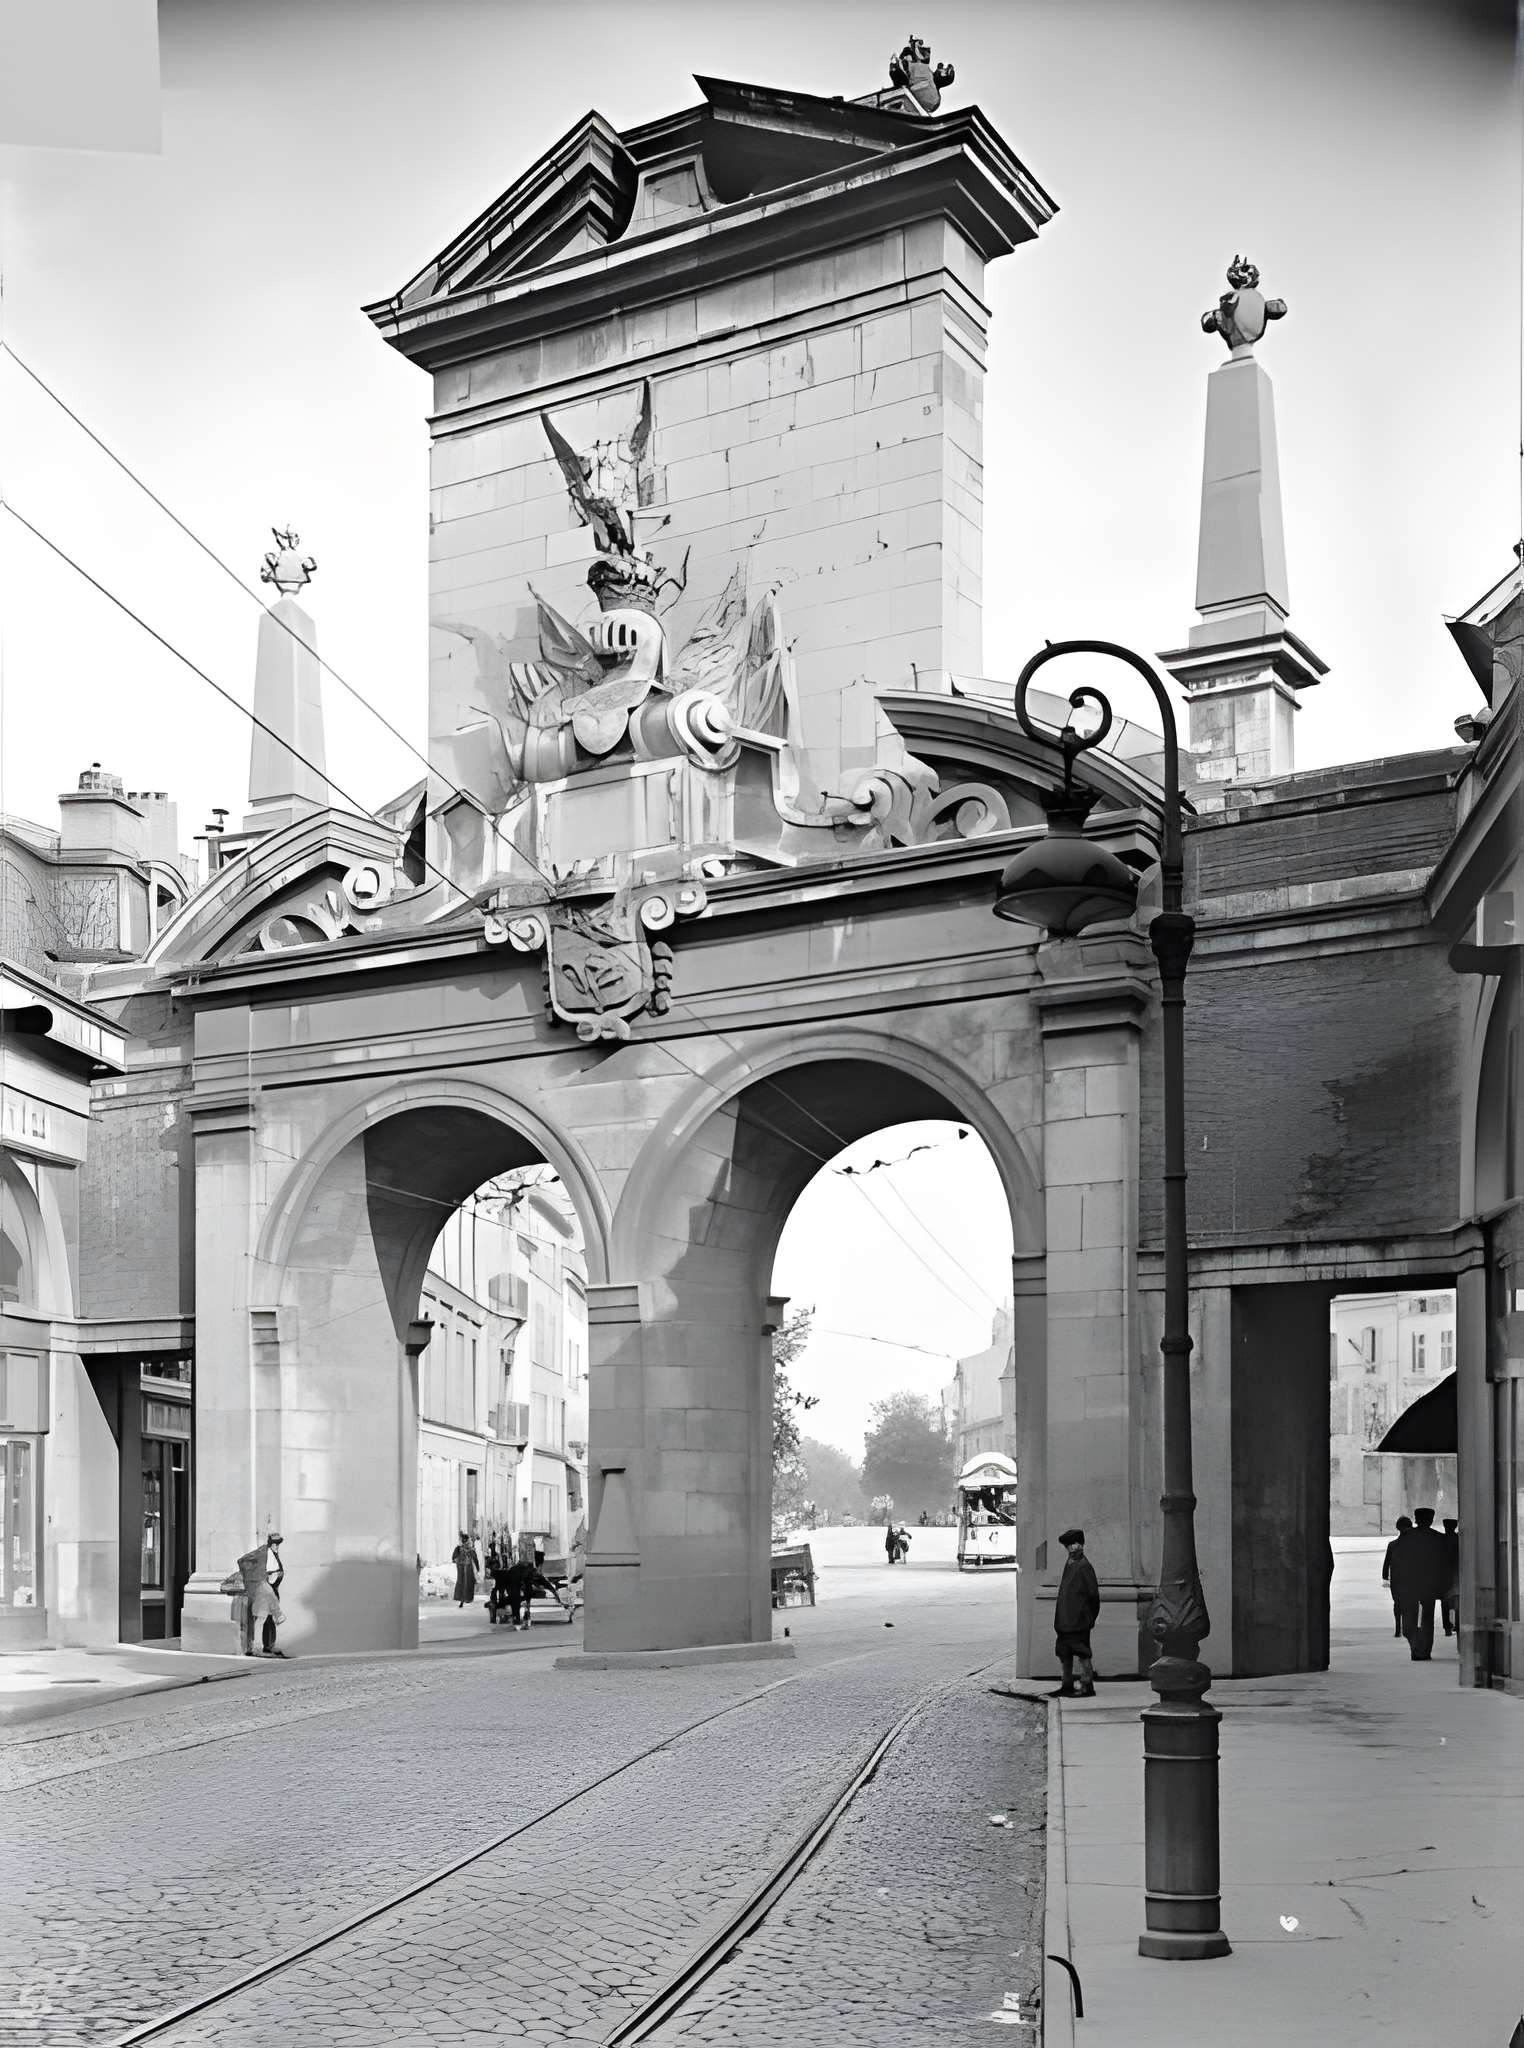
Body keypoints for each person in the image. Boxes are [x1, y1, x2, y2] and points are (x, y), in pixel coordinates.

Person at [1052, 1527, 1100, 1698]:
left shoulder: (1084, 1566)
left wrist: (1089, 1617)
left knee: (1082, 1652)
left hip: (1078, 1620)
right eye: (1069, 1545)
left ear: (1080, 1545)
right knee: (1064, 1652)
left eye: (1074, 1544)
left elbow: (1093, 1595)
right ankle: (1067, 1684)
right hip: (1065, 1620)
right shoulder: (1070, 1564)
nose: (1072, 1548)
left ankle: (1087, 1685)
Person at [1399, 1507, 1448, 1660]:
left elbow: (1399, 1563)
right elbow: (1444, 1565)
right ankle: (1425, 1650)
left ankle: (1416, 1646)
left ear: (1416, 1519)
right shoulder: (1439, 1538)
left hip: (1410, 1586)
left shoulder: (1406, 1537)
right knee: (1427, 1618)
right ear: (1431, 1520)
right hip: (1429, 1587)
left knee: (1410, 1619)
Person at [1382, 1516, 1413, 1639]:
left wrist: (1385, 1576)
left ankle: (1398, 1627)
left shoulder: (1392, 1545)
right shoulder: (1414, 1545)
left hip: (1397, 1579)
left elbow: (1386, 1562)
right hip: (1411, 1579)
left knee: (1397, 1603)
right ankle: (1406, 1626)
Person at [1441, 1517, 1460, 1637]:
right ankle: (1457, 1624)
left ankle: (1447, 1627)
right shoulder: (1459, 1539)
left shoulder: (1441, 1540)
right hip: (1457, 1573)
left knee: (1445, 1603)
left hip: (1443, 1575)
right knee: (1457, 1601)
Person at [452, 1530, 479, 1608]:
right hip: (467, 1567)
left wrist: (458, 1561)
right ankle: (465, 1599)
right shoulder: (470, 1549)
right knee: (467, 1583)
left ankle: (462, 1600)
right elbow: (475, 1559)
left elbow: (454, 1558)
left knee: (463, 1583)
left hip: (462, 1568)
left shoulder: (459, 1548)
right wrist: (477, 1568)